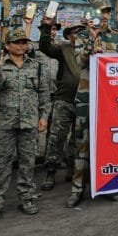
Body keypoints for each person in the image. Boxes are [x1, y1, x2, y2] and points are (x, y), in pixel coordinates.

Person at [68, 0, 118, 208]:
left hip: (110, 100)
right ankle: (77, 189)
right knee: (82, 144)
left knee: (109, 142)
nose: (103, 15)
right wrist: (92, 42)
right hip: (87, 97)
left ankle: (109, 185)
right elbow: (80, 62)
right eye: (99, 11)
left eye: (106, 11)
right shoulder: (82, 36)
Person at [0, 28, 49, 222]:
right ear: (7, 45)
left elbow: (43, 93)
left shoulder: (36, 66)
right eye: (17, 42)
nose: (22, 45)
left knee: (27, 163)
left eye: (24, 42)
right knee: (1, 164)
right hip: (5, 122)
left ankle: (27, 198)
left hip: (29, 122)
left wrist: (44, 116)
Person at [38, 19, 85, 191]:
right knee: (56, 138)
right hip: (64, 100)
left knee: (77, 139)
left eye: (81, 32)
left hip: (83, 102)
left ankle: (72, 171)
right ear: (68, 36)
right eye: (75, 32)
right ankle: (50, 172)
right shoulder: (63, 49)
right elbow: (45, 47)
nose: (78, 35)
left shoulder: (90, 50)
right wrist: (45, 28)